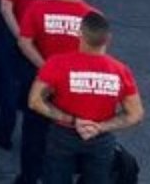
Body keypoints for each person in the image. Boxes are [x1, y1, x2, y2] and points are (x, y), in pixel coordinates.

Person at [28, 13, 143, 184]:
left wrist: (73, 120)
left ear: (80, 34)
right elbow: (135, 114)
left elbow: (35, 101)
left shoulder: (58, 63)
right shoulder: (120, 71)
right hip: (101, 139)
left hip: (63, 135)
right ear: (108, 39)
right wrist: (100, 127)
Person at [18, 0, 97, 178]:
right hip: (73, 86)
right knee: (66, 135)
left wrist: (46, 69)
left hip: (39, 79)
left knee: (33, 132)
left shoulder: (38, 8)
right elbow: (95, 56)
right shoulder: (93, 17)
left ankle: (28, 177)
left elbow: (25, 42)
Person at [0, 0, 63, 154]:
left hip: (15, 37)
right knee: (39, 92)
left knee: (9, 86)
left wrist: (18, 35)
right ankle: (35, 143)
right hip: (43, 44)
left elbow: (6, 7)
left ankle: (4, 134)